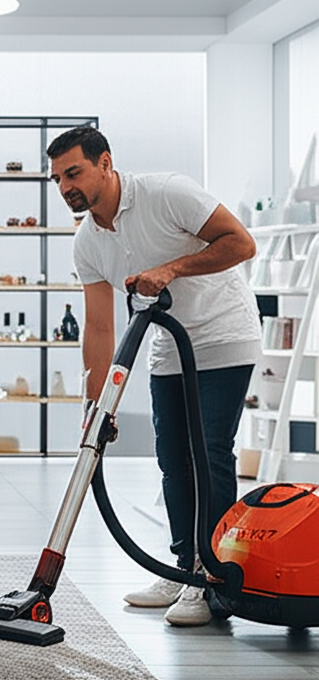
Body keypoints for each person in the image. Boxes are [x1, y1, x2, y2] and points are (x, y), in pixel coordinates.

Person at [46, 127, 259, 627]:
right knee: (172, 459)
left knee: (207, 451)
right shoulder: (87, 241)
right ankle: (181, 565)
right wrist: (95, 408)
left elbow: (241, 243)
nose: (64, 188)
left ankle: (209, 577)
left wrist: (172, 269)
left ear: (105, 163)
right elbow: (99, 328)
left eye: (73, 173)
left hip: (224, 334)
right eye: (57, 179)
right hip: (168, 346)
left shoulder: (167, 193)